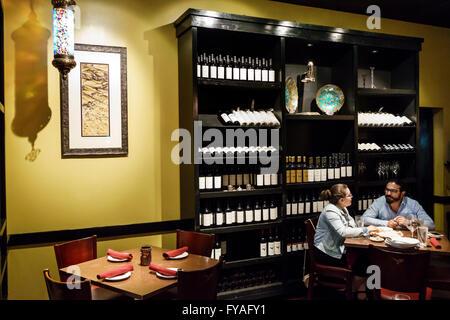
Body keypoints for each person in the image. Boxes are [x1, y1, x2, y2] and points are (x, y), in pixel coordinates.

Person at [313, 184, 378, 300]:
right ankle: (352, 292)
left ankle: (360, 292)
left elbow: (352, 226)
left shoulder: (342, 208)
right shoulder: (330, 211)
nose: (352, 197)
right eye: (349, 195)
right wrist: (366, 229)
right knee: (365, 264)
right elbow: (343, 232)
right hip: (326, 252)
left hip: (335, 249)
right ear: (341, 199)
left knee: (369, 260)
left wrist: (366, 232)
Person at [362, 180, 435, 230]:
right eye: (387, 190)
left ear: (402, 193)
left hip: (407, 241)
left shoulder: (413, 204)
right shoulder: (380, 201)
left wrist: (409, 223)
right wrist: (387, 223)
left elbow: (431, 224)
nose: (388, 193)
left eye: (393, 191)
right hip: (385, 240)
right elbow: (364, 219)